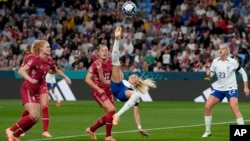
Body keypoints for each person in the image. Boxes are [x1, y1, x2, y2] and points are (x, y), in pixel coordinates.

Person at [5, 40, 71, 141]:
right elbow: (21, 70)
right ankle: (11, 129)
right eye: (48, 47)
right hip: (28, 88)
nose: (50, 48)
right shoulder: (35, 59)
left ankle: (16, 135)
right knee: (33, 115)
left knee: (35, 119)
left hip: (37, 89)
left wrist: (65, 77)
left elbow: (56, 70)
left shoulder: (49, 60)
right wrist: (30, 79)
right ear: (41, 49)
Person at [106, 27, 156, 136]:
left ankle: (117, 116)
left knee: (136, 95)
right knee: (116, 61)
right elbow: (117, 68)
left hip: (124, 94)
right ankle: (117, 39)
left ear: (137, 82)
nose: (134, 76)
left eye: (136, 77)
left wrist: (140, 128)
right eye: (133, 75)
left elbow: (136, 114)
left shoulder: (133, 92)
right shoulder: (123, 78)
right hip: (117, 85)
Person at [202, 43, 249, 138]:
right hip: (219, 89)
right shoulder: (215, 61)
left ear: (227, 51)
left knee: (234, 108)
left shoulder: (233, 62)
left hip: (231, 88)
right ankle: (208, 131)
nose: (220, 50)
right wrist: (208, 74)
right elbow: (210, 75)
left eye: (222, 49)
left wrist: (246, 87)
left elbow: (243, 73)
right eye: (219, 49)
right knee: (207, 107)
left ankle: (242, 133)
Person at [85, 44, 116, 141]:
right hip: (98, 91)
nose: (104, 52)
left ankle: (91, 129)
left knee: (110, 114)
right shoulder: (95, 64)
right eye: (102, 50)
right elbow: (87, 79)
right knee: (111, 110)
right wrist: (97, 88)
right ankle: (108, 136)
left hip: (108, 91)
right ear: (98, 53)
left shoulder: (111, 63)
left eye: (106, 50)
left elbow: (114, 78)